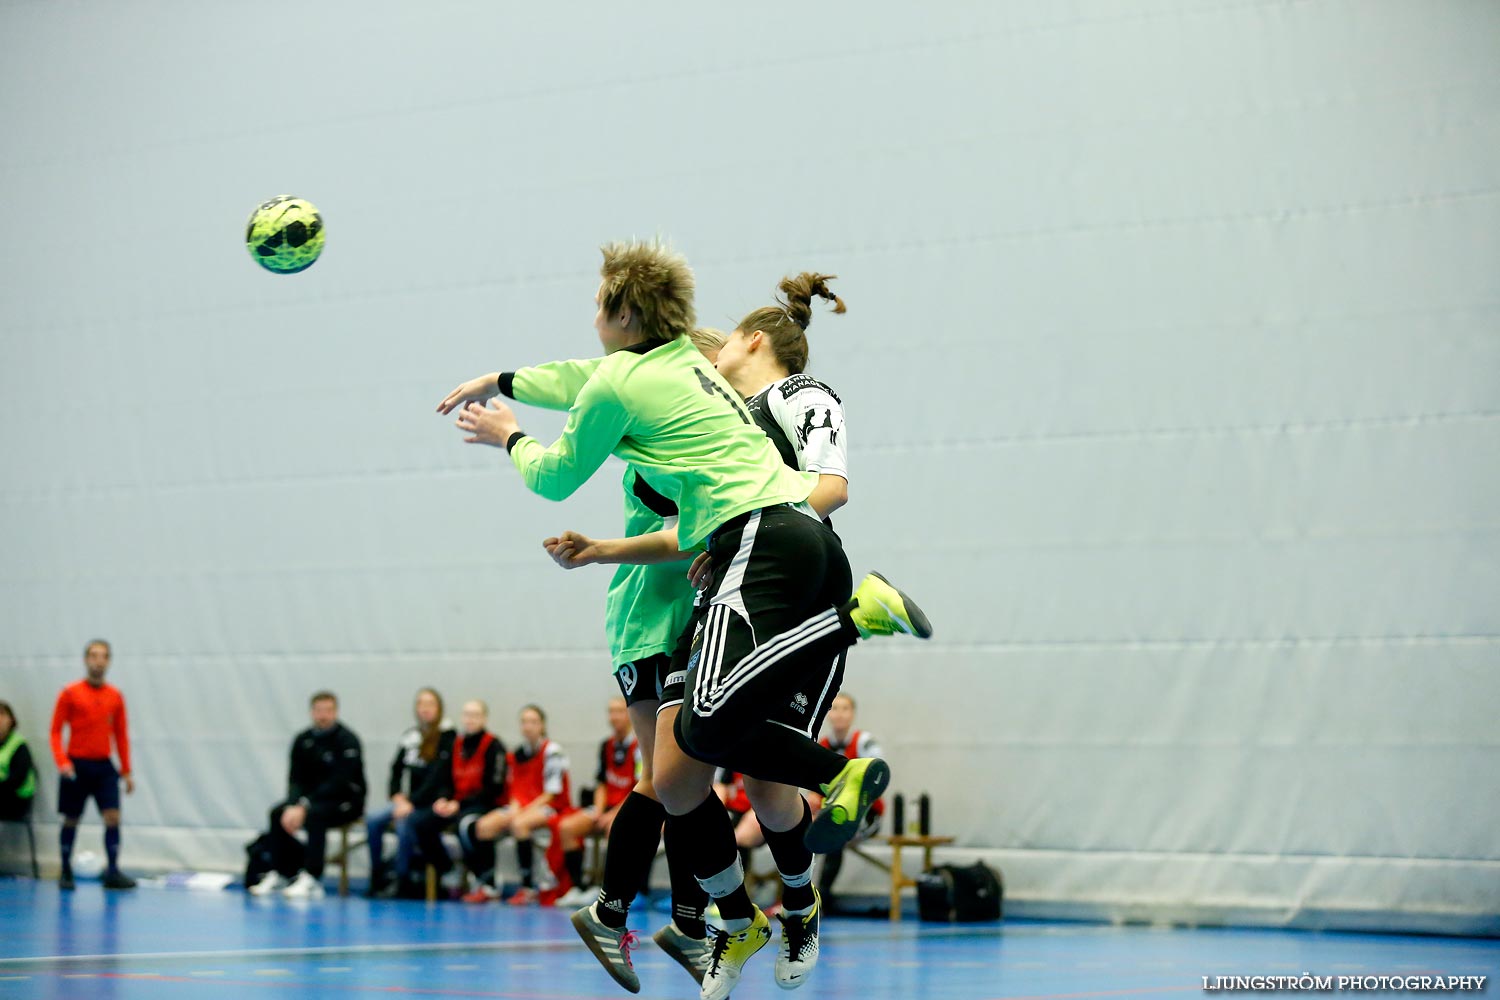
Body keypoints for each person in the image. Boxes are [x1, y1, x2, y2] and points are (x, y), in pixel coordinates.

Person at [440, 249, 931, 1000]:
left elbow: (557, 470)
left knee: (698, 758)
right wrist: (505, 381)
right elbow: (586, 376)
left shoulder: (783, 393)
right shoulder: (684, 373)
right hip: (744, 555)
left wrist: (509, 432)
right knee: (701, 758)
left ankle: (850, 634)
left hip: (766, 550)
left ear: (624, 313)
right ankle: (743, 919)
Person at [249, 691, 366, 899]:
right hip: (309, 801)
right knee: (277, 813)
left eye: (328, 711)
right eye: (319, 711)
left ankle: (313, 877)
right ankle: (283, 872)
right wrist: (294, 804)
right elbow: (295, 779)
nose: (323, 716)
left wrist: (305, 805)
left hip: (345, 801)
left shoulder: (347, 740)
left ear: (335, 712)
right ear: (312, 712)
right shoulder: (303, 740)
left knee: (315, 816)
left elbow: (339, 782)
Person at [462, 704, 574, 905]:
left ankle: (528, 887)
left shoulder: (552, 751)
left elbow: (551, 793)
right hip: (523, 807)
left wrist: (522, 812)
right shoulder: (516, 754)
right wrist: (514, 807)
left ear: (542, 725)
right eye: (524, 722)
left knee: (519, 824)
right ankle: (490, 885)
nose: (528, 726)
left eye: (533, 722)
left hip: (551, 807)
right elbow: (514, 789)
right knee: (483, 826)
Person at [50, 639, 135, 890]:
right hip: (76, 765)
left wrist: (126, 770)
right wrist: (63, 762)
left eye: (103, 656)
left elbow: (120, 734)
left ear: (108, 661)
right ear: (86, 660)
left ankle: (112, 870)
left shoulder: (115, 696)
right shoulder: (70, 693)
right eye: (94, 655)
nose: (98, 661)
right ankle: (65, 869)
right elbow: (55, 732)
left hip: (103, 766)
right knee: (71, 818)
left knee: (112, 816)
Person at [367, 688, 455, 898]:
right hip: (407, 800)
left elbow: (437, 777)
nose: (425, 709)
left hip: (430, 802)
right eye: (421, 704)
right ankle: (377, 874)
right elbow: (396, 770)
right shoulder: (410, 736)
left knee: (404, 823)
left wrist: (411, 803)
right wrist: (397, 796)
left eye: (430, 704)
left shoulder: (447, 737)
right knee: (372, 820)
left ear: (439, 708)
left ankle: (402, 878)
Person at [555, 697, 641, 908]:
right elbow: (601, 783)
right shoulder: (606, 745)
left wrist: (613, 815)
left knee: (615, 829)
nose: (614, 717)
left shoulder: (640, 745)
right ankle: (579, 887)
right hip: (608, 806)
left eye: (619, 711)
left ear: (629, 714)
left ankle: (611, 890)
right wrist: (600, 811)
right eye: (610, 711)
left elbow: (640, 786)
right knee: (566, 827)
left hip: (632, 805)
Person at [813, 692, 885, 911]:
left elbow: (878, 780)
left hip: (867, 815)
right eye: (834, 708)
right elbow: (814, 789)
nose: (840, 714)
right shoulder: (820, 745)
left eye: (845, 709)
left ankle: (822, 896)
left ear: (852, 714)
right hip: (833, 813)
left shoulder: (865, 743)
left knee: (836, 832)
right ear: (828, 714)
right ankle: (798, 896)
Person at [431, 700, 508, 894]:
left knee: (466, 826)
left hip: (485, 804)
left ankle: (484, 876)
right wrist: (443, 799)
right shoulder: (455, 744)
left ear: (484, 718)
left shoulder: (494, 746)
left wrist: (459, 804)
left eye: (475, 715)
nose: (470, 719)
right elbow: (445, 778)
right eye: (467, 715)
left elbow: (494, 788)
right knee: (422, 822)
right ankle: (448, 869)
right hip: (457, 804)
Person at [0, 701, 37, 822]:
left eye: (2, 714)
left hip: (16, 799)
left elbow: (17, 779)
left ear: (11, 720)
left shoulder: (19, 745)